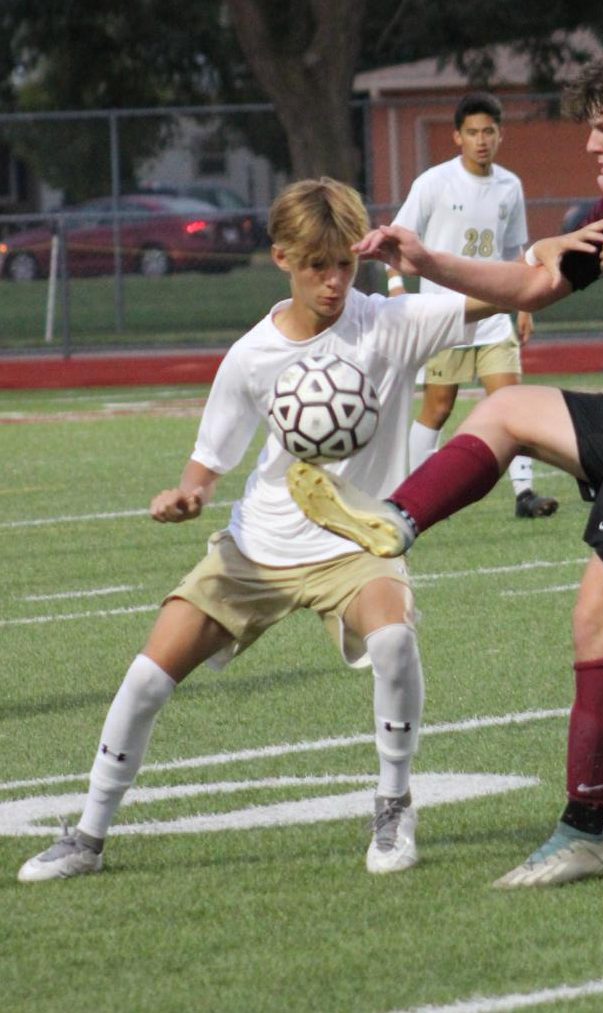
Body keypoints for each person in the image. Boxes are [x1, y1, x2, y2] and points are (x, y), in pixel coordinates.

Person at [286, 38, 603, 888]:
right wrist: (427, 261)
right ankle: (389, 526)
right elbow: (528, 285)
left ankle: (587, 830)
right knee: (508, 407)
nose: (592, 146)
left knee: (598, 615)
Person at [17, 177, 503, 883]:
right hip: (259, 545)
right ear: (282, 258)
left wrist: (591, 253)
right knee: (148, 675)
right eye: (317, 266)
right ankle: (87, 835)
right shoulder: (250, 356)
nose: (334, 281)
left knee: (394, 639)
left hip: (353, 542)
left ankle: (394, 803)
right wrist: (186, 494)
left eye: (345, 264)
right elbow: (207, 463)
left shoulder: (390, 322)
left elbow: (519, 289)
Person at [388, 91, 558, 520]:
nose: (481, 140)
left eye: (489, 131)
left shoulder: (509, 186)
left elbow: (516, 250)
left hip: (495, 316)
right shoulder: (433, 182)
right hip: (446, 318)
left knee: (514, 404)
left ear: (500, 136)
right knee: (438, 407)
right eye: (472, 132)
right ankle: (413, 498)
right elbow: (394, 238)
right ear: (456, 137)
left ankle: (524, 494)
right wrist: (395, 285)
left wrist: (524, 306)